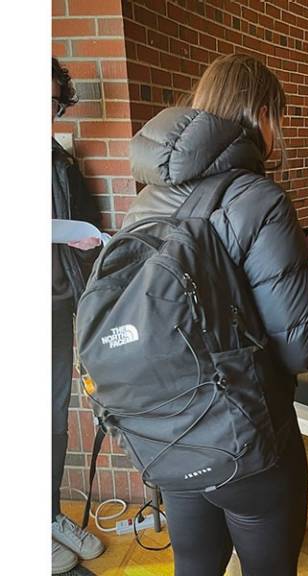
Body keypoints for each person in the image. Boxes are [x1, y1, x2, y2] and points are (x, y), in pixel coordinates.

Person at [123, 54, 308, 576]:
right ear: (260, 115)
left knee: (196, 567)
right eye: (280, 117)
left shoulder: (149, 198)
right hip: (246, 436)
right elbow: (298, 345)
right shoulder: (259, 198)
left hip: (169, 431)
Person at [51, 57, 106, 575]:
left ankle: (46, 515)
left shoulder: (56, 157)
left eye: (51, 102)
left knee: (54, 414)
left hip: (59, 298)